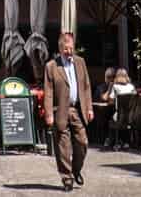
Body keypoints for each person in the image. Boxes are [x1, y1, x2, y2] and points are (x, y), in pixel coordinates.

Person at [43, 32, 94, 191]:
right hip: (61, 110)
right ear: (60, 49)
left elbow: (86, 86)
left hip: (77, 109)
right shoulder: (51, 66)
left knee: (82, 142)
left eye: (71, 48)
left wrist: (90, 107)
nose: (69, 51)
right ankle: (67, 178)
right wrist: (49, 113)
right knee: (63, 147)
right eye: (66, 49)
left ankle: (76, 170)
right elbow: (48, 91)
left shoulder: (80, 62)